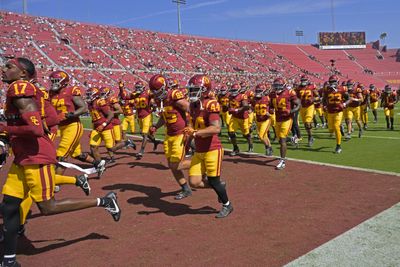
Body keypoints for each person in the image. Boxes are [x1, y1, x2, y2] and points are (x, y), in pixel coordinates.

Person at [0, 57, 121, 267]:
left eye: (9, 67)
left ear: (23, 74)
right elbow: (47, 120)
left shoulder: (19, 88)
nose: (3, 69)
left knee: (48, 207)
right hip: (23, 156)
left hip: (36, 156)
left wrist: (5, 130)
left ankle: (104, 201)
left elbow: (35, 129)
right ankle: (8, 259)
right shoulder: (27, 90)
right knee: (9, 207)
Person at [184, 74, 233, 218]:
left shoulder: (210, 104)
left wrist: (196, 132)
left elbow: (216, 128)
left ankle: (227, 205)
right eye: (191, 90)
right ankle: (220, 188)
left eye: (195, 90)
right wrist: (187, 143)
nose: (191, 93)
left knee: (213, 180)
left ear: (204, 90)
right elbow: (190, 129)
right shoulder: (193, 106)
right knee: (194, 181)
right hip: (199, 150)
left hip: (213, 149)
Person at [49, 70, 106, 177]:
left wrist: (68, 115)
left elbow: (83, 108)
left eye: (56, 81)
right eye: (52, 81)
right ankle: (98, 164)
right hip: (62, 127)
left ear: (64, 82)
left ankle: (55, 183)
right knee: (77, 154)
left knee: (61, 155)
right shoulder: (51, 94)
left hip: (73, 125)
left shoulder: (71, 91)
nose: (53, 83)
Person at [148, 74, 192, 200]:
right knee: (171, 164)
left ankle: (202, 162)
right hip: (169, 135)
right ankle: (186, 188)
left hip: (180, 133)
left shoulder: (174, 95)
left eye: (156, 91)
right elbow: (164, 116)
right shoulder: (159, 100)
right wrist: (156, 126)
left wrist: (189, 126)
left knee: (176, 164)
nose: (155, 94)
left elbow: (189, 109)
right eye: (153, 91)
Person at [269, 77, 300, 170]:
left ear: (284, 85)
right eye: (275, 86)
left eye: (279, 86)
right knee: (280, 140)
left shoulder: (290, 93)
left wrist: (291, 111)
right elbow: (271, 105)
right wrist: (270, 109)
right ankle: (291, 139)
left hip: (287, 119)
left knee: (282, 140)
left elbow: (298, 104)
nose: (277, 88)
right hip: (278, 118)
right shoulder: (272, 94)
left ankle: (282, 161)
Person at [101, 86, 136, 162]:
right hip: (107, 123)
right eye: (102, 94)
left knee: (117, 141)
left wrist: (110, 113)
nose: (102, 95)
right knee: (109, 142)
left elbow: (120, 111)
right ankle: (112, 157)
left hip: (114, 122)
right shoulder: (101, 101)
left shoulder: (112, 99)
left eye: (104, 94)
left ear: (108, 93)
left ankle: (127, 142)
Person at [322, 75, 350, 154]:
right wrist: (324, 105)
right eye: (331, 82)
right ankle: (340, 127)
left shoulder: (342, 89)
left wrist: (344, 104)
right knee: (331, 129)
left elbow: (348, 99)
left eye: (334, 81)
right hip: (330, 112)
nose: (332, 83)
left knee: (336, 127)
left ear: (337, 81)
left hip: (339, 111)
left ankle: (338, 146)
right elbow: (324, 99)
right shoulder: (327, 89)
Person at [227, 83, 252, 155]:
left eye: (235, 90)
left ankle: (250, 145)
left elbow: (246, 107)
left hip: (243, 118)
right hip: (234, 117)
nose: (233, 91)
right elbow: (229, 105)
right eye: (232, 90)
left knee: (246, 134)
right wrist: (228, 109)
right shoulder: (230, 96)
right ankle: (235, 148)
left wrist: (236, 110)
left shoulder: (242, 96)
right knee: (231, 132)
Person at [296, 75, 319, 147]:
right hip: (302, 107)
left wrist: (314, 99)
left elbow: (318, 96)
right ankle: (310, 135)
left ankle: (310, 137)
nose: (303, 82)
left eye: (305, 80)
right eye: (302, 80)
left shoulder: (312, 87)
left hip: (310, 106)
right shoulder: (298, 88)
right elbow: (296, 98)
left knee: (307, 123)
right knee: (306, 125)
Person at [251, 83, 273, 155]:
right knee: (265, 136)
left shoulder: (267, 98)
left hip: (266, 120)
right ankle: (270, 147)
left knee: (261, 136)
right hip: (258, 120)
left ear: (263, 91)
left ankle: (267, 147)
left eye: (259, 91)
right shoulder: (254, 99)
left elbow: (273, 106)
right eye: (257, 91)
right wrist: (250, 110)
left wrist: (270, 113)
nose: (257, 92)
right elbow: (252, 108)